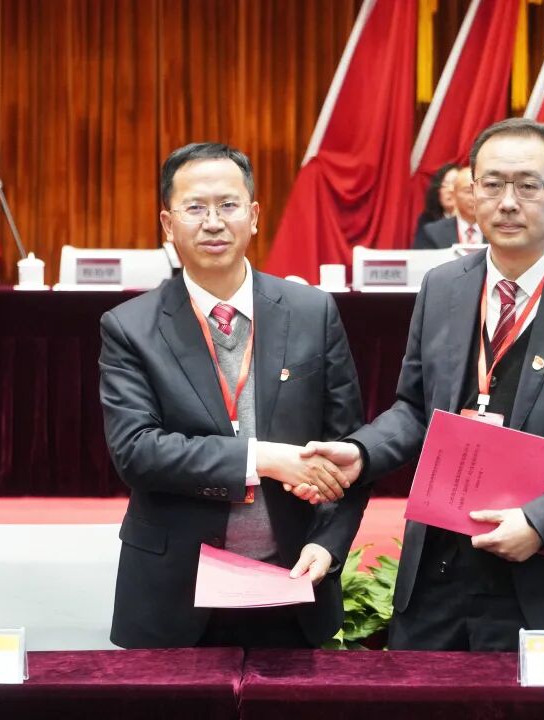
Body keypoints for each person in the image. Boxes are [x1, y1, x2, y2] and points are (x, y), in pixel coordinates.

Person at [304, 118, 544, 651]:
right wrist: (361, 452)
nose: (508, 202)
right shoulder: (443, 286)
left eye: (528, 185)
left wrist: (542, 521)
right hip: (438, 574)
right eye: (492, 184)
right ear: (471, 193)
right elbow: (415, 408)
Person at [99, 142, 369, 649]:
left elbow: (349, 449)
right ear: (168, 224)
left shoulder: (312, 312)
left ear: (255, 216)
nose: (213, 222)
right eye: (195, 208)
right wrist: (261, 458)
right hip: (175, 593)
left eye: (228, 205)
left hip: (294, 583)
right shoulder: (129, 327)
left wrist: (328, 545)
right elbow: (137, 451)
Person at [415, 166, 481, 249]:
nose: (474, 197)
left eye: (478, 191)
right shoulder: (432, 232)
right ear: (454, 194)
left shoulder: (494, 229)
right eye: (468, 191)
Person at [412, 163, 458, 248]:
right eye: (445, 185)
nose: (450, 189)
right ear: (437, 191)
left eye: (455, 184)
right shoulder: (427, 220)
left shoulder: (477, 219)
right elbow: (420, 252)